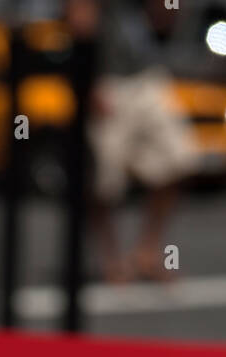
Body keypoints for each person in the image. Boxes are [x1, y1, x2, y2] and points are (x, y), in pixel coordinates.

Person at [68, 0, 199, 283]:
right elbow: (79, 22)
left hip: (146, 77)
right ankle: (111, 260)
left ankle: (147, 253)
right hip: (107, 84)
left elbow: (166, 17)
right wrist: (86, 85)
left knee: (180, 157)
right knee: (104, 181)